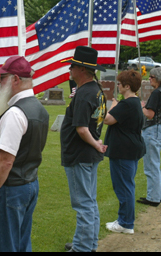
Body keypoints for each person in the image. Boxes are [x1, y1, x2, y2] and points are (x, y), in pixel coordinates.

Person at [0, 55, 49, 252]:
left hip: (10, 189)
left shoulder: (15, 114)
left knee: (4, 245)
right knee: (21, 243)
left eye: (2, 78)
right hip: (29, 182)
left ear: (15, 80)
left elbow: (5, 161)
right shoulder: (39, 109)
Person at [59, 46, 108, 253]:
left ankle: (82, 248)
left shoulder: (85, 93)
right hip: (87, 154)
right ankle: (88, 242)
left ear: (81, 69)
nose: (69, 69)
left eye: (72, 66)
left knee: (83, 204)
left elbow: (81, 128)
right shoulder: (94, 89)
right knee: (89, 201)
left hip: (80, 154)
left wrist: (96, 143)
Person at [103, 70, 146, 234]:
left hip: (123, 151)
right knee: (126, 185)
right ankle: (123, 219)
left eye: (120, 84)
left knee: (124, 187)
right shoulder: (135, 102)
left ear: (127, 86)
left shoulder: (126, 104)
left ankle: (126, 223)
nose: (118, 86)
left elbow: (108, 120)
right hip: (129, 149)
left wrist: (112, 106)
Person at [138, 66, 161, 207]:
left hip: (152, 129)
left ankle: (154, 197)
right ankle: (154, 195)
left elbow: (150, 114)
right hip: (158, 128)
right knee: (153, 164)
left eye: (152, 77)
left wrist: (141, 106)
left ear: (159, 79)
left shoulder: (157, 93)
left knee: (151, 165)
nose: (149, 78)